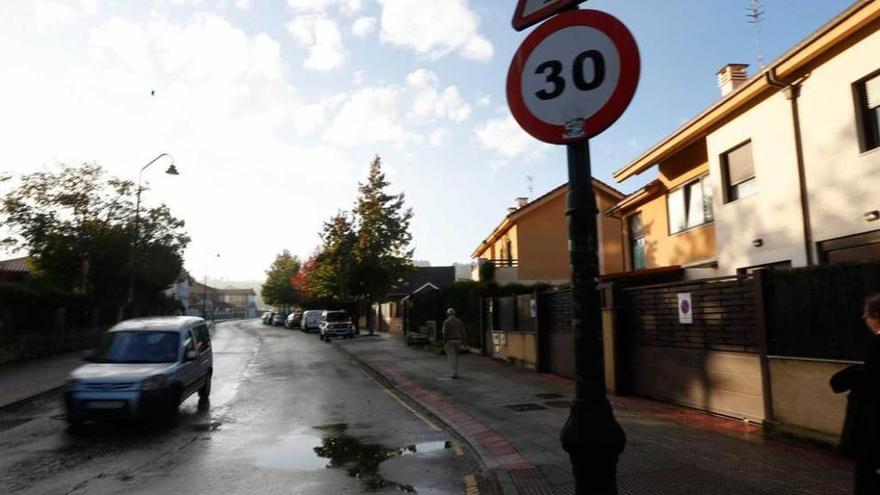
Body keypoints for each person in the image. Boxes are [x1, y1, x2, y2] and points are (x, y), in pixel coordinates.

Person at [830, 293, 880, 494]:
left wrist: (850, 376)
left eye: (866, 316)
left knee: (868, 479)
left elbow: (872, 383)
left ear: (875, 315)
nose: (865, 321)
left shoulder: (877, 345)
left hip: (873, 431)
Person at [442, 308, 466, 379]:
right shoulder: (459, 321)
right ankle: (455, 371)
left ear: (447, 314)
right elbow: (463, 332)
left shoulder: (446, 322)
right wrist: (464, 343)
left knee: (451, 357)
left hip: (449, 341)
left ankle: (454, 373)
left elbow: (444, 333)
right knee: (456, 356)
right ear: (454, 313)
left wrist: (443, 341)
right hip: (458, 340)